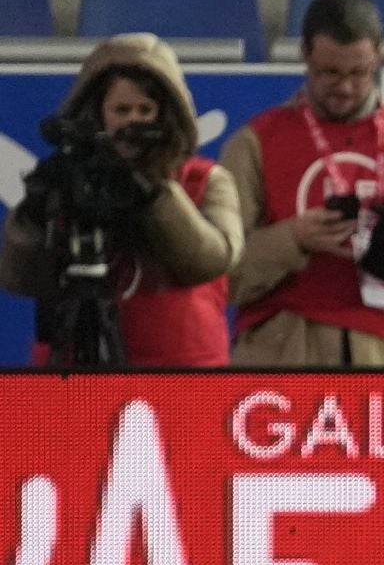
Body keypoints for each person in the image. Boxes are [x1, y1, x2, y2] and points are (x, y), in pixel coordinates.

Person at [220, 0, 384, 367]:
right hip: (284, 346)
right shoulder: (255, 143)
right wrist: (294, 238)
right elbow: (222, 276)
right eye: (330, 73)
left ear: (379, 58)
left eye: (359, 73)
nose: (346, 88)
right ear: (305, 55)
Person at [0, 32, 242, 367]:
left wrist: (151, 193)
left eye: (146, 110)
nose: (133, 121)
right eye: (121, 110)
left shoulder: (204, 180)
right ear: (97, 114)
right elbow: (19, 279)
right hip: (75, 368)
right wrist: (34, 213)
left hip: (181, 375)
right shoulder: (68, 180)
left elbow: (213, 260)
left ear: (166, 115)